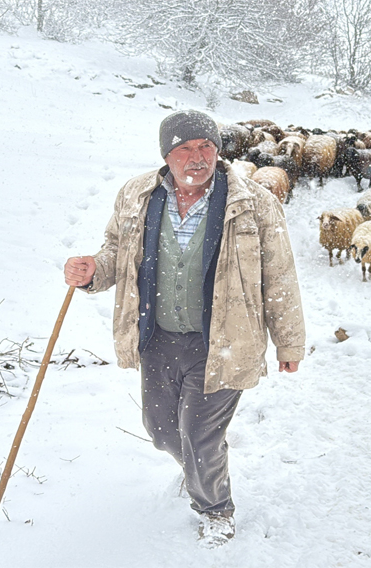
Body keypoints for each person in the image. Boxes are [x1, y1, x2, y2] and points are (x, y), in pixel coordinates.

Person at [64, 110, 305, 547]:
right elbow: (117, 249)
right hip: (157, 338)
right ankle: (199, 468)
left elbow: (281, 275)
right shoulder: (137, 194)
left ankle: (216, 508)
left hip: (225, 342)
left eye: (206, 147)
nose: (198, 158)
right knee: (160, 431)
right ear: (167, 155)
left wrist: (288, 341)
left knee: (198, 434)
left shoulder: (253, 201)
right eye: (185, 149)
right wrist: (93, 270)